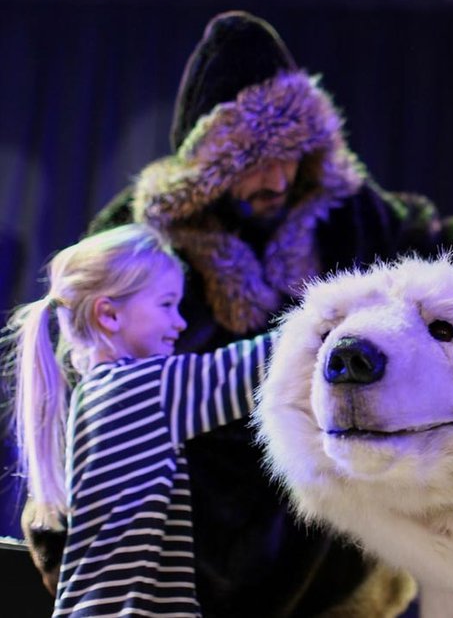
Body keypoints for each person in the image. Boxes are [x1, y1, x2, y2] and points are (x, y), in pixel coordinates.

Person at [23, 10, 453, 617]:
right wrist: (59, 519)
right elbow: (77, 379)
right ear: (207, 167)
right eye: (254, 158)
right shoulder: (140, 239)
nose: (279, 177)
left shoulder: (352, 213)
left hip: (331, 560)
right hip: (187, 568)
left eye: (294, 154)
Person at [6, 223, 278, 616]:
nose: (180, 323)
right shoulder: (139, 389)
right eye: (167, 304)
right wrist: (338, 316)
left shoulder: (93, 394)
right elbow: (262, 365)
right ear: (109, 315)